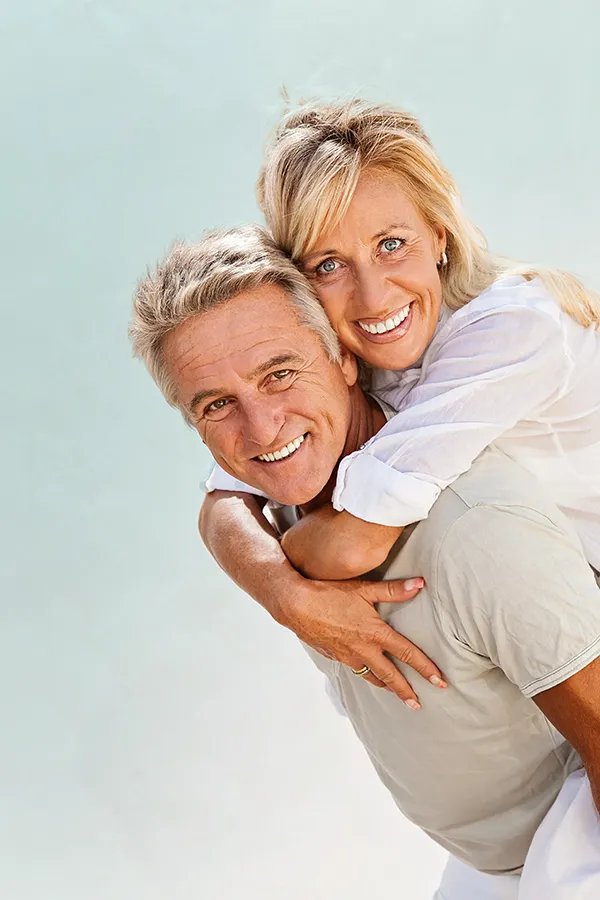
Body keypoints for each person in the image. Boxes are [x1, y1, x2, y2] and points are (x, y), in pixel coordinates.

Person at [129, 226, 600, 900]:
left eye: (279, 374)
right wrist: (284, 592)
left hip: (574, 842)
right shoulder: (287, 488)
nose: (261, 429)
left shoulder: (477, 532)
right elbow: (219, 502)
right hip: (495, 864)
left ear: (346, 359)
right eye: (218, 404)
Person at [205, 98, 600, 592]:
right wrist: (278, 585)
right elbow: (225, 496)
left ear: (438, 235)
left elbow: (352, 545)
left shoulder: (516, 328)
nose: (373, 298)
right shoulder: (342, 349)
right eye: (328, 265)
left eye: (390, 244)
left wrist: (286, 590)